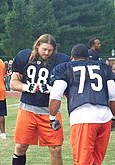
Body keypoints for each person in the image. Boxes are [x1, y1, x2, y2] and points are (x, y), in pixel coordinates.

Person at [49, 44, 115, 165]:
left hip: (83, 117)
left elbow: (56, 95)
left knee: (82, 162)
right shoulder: (103, 67)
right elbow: (114, 96)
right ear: (87, 57)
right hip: (105, 118)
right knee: (96, 161)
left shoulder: (64, 68)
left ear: (72, 58)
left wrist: (52, 118)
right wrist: (114, 118)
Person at [10, 34, 70, 165]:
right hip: (27, 109)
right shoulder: (24, 57)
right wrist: (27, 87)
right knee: (20, 146)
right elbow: (13, 83)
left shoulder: (61, 60)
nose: (47, 53)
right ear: (37, 46)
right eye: (44, 49)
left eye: (50, 50)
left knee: (56, 148)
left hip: (50, 112)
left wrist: (51, 89)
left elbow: (67, 87)